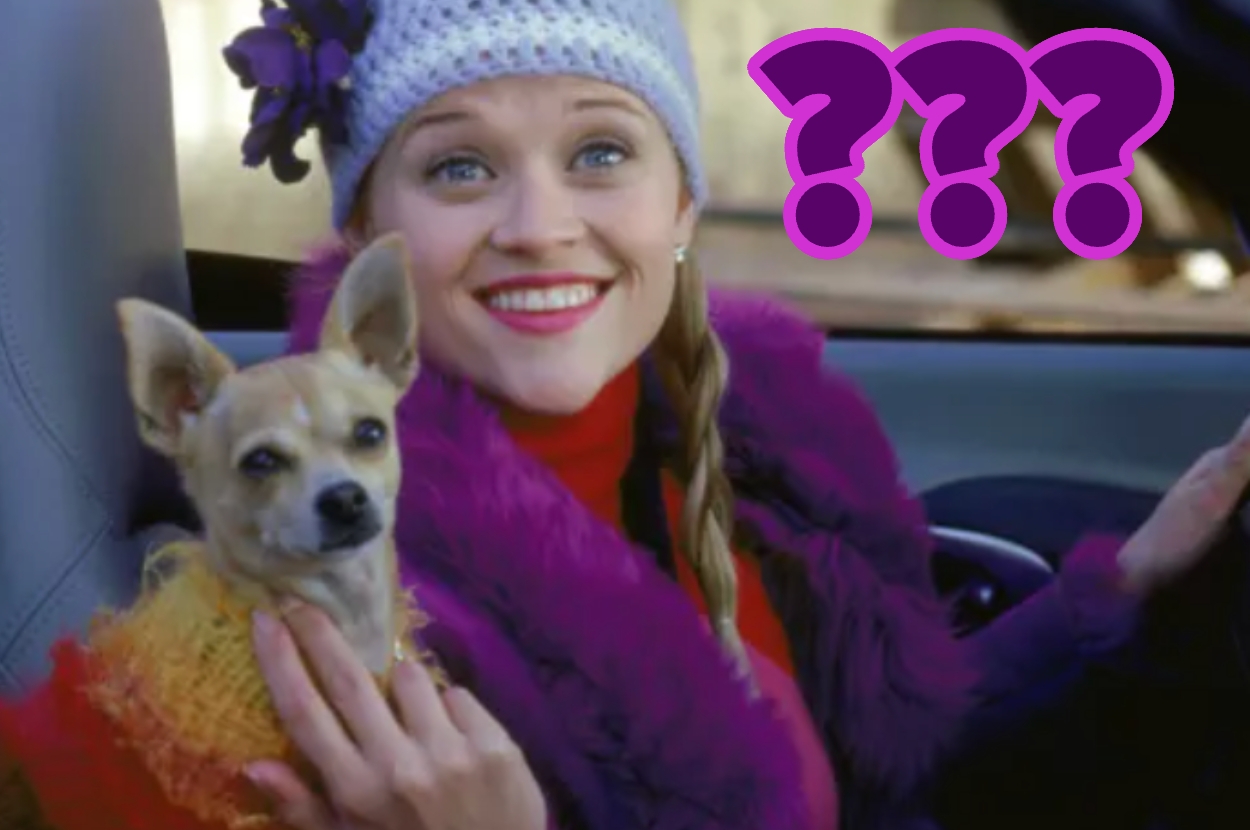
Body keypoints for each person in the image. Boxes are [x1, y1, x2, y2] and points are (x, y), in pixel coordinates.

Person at [7, 1, 1246, 829]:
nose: (541, 223)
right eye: (457, 165)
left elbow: (869, 766)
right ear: (365, 233)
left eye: (600, 152)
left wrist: (1117, 592)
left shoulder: (735, 469)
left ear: (681, 207)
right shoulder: (328, 614)